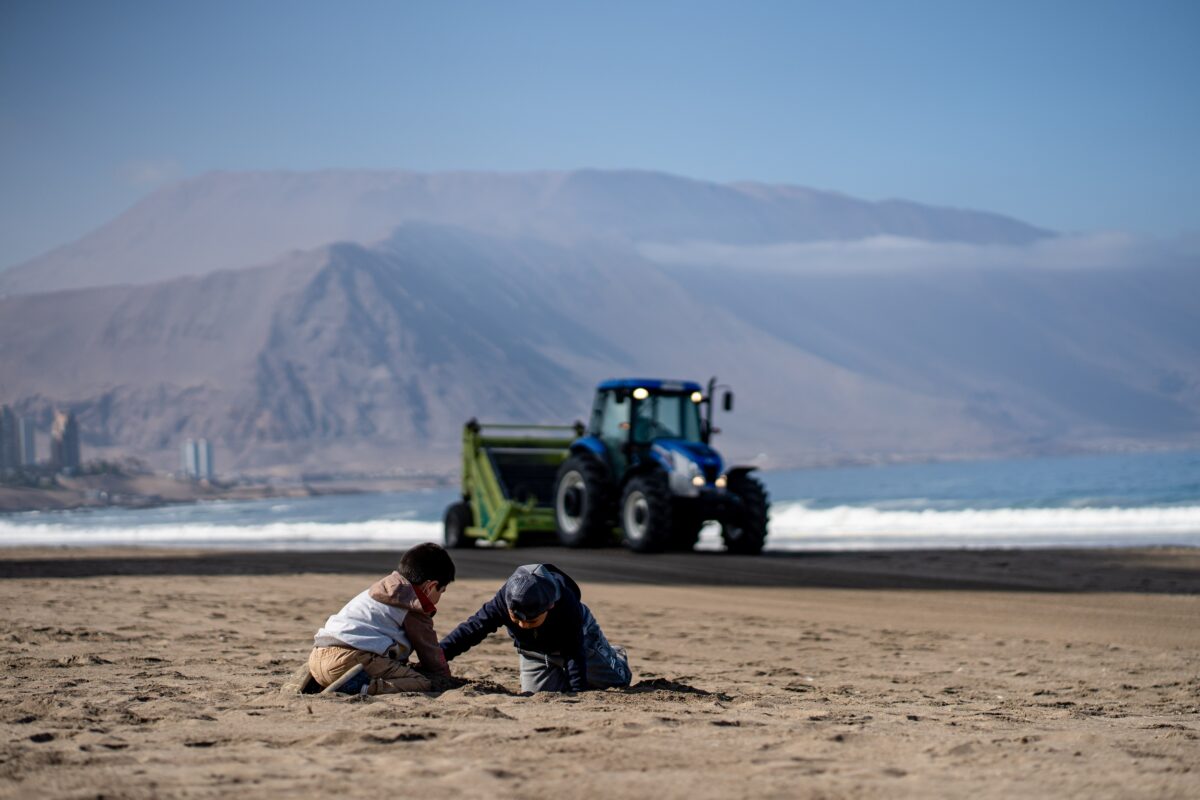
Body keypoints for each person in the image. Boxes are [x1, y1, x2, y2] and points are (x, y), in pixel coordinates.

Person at [439, 563, 631, 693]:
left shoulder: (566, 605)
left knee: (618, 682)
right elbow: (472, 630)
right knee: (537, 694)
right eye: (516, 620)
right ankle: (557, 674)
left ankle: (616, 654)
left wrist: (577, 693)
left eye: (530, 622)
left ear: (549, 607)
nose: (523, 625)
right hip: (534, 652)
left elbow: (574, 653)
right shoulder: (502, 602)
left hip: (581, 642)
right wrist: (438, 656)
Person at [308, 542, 455, 695]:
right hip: (349, 661)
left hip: (317, 656)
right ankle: (361, 688)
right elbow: (430, 652)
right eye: (441, 591)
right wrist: (444, 677)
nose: (440, 597)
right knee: (421, 683)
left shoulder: (381, 590)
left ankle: (319, 683)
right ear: (430, 587)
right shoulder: (414, 605)